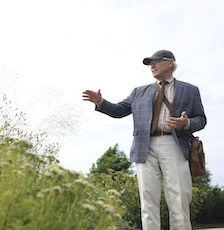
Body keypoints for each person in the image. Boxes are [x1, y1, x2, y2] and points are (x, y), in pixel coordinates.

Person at [82, 50, 207, 230]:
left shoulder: (190, 90)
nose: (152, 66)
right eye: (150, 64)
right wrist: (100, 102)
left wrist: (186, 122)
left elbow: (201, 119)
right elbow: (119, 110)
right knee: (148, 200)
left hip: (174, 144)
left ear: (170, 63)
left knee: (179, 198)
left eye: (156, 62)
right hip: (144, 147)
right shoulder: (139, 92)